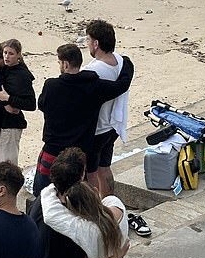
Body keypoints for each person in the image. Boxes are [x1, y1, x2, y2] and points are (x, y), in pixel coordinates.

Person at [33, 43, 134, 197]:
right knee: (78, 195)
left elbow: (42, 105)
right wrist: (127, 62)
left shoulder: (51, 85)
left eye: (60, 63)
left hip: (53, 150)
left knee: (42, 194)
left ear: (65, 64)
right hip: (79, 153)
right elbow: (121, 85)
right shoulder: (94, 86)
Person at [81, 19, 130, 197]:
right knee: (104, 168)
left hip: (98, 129)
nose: (87, 44)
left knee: (91, 172)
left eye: (88, 40)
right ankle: (110, 202)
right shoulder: (120, 61)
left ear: (96, 43)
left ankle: (95, 209)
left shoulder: (92, 71)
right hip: (113, 124)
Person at [0, 39, 36, 165]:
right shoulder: (5, 69)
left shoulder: (22, 75)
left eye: (11, 53)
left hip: (12, 125)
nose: (6, 56)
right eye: (5, 53)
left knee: (7, 164)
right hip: (2, 123)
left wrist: (9, 99)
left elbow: (31, 104)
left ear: (18, 55)